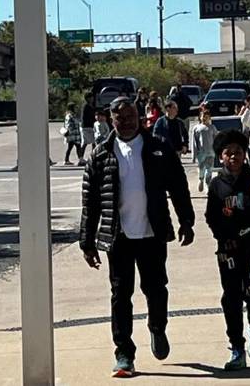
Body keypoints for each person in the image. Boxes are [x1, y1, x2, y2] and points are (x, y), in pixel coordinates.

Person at [79, 97, 195, 378]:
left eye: (131, 116)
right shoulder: (99, 154)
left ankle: (157, 328)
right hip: (117, 236)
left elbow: (178, 187)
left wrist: (186, 221)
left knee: (156, 289)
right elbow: (90, 201)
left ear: (140, 117)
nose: (127, 122)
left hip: (151, 233)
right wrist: (87, 241)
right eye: (120, 118)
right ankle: (124, 352)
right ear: (111, 120)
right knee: (120, 294)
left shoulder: (158, 147)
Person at [206, 128, 250, 371]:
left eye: (238, 152)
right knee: (232, 298)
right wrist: (223, 238)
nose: (233, 157)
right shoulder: (217, 185)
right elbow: (211, 217)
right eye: (228, 153)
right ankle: (237, 347)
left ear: (245, 154)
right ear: (221, 157)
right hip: (227, 254)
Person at [191, 109, 218, 192]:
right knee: (202, 169)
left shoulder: (212, 127)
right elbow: (194, 142)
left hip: (211, 152)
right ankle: (201, 179)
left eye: (207, 117)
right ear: (200, 117)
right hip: (201, 153)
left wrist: (217, 150)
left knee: (209, 170)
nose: (205, 118)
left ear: (209, 118)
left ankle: (208, 184)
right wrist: (194, 155)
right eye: (203, 116)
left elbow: (216, 139)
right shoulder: (196, 128)